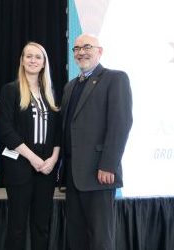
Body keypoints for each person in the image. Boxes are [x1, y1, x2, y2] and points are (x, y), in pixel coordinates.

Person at [61, 34, 133, 250]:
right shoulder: (70, 87)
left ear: (99, 51)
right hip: (73, 177)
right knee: (76, 238)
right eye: (76, 48)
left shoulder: (115, 78)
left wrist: (108, 164)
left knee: (101, 239)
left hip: (99, 174)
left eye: (87, 47)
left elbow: (121, 123)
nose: (81, 52)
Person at [0, 42, 61, 250]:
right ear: (22, 61)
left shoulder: (50, 93)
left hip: (46, 169)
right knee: (17, 227)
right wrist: (33, 158)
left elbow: (58, 132)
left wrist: (53, 159)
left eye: (38, 57)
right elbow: (6, 131)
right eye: (29, 56)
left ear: (44, 63)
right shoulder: (10, 90)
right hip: (20, 166)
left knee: (41, 225)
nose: (33, 60)